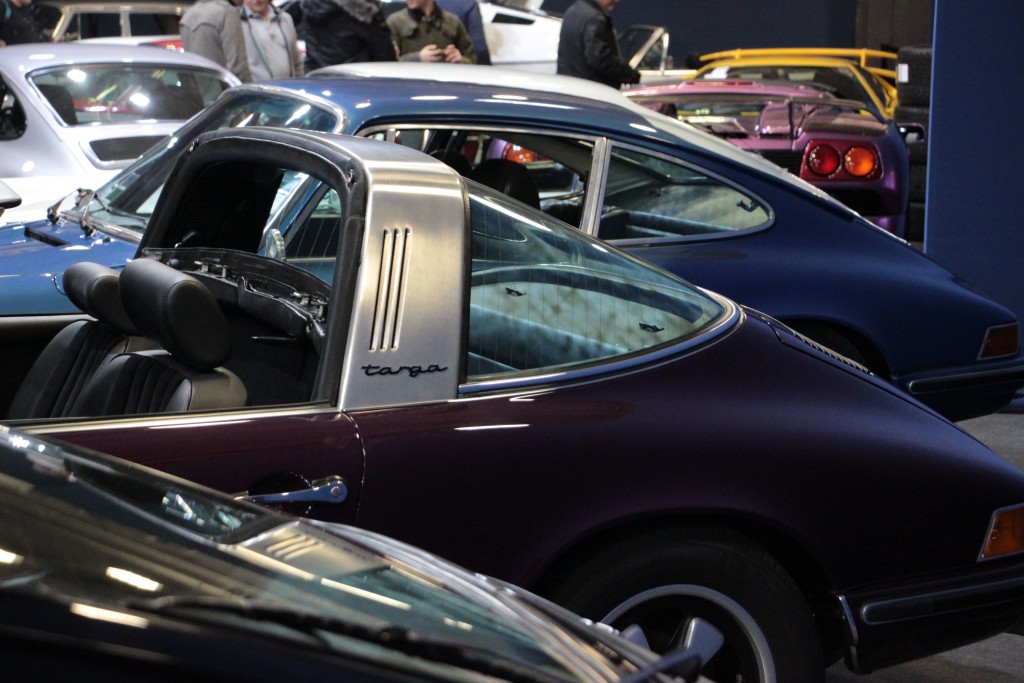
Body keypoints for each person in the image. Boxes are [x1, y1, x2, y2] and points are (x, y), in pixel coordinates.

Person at [556, 0, 639, 88]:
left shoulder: (573, 10)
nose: (617, 1)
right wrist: (627, 72)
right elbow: (600, 59)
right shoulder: (594, 18)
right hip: (591, 92)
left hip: (569, 88)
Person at [299, 0, 395, 71]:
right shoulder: (364, 11)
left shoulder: (311, 7)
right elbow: (385, 56)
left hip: (315, 82)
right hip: (355, 84)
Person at [180, 0, 253, 83]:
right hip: (224, 90)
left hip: (199, 90)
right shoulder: (227, 12)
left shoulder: (188, 15)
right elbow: (238, 67)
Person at [387, 0, 475, 64]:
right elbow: (386, 64)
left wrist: (461, 60)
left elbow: (472, 60)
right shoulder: (395, 22)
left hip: (446, 85)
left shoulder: (453, 22)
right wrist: (418, 58)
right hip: (409, 85)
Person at [240, 0, 303, 79]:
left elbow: (296, 59)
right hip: (256, 90)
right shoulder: (238, 22)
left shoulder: (285, 18)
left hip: (288, 87)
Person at [436, 0, 489, 65]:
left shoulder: (426, 5)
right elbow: (480, 48)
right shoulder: (468, 5)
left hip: (426, 68)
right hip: (458, 69)